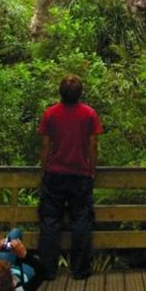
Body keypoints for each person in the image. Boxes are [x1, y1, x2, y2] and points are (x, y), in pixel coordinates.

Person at [38, 73, 103, 280]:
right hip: (80, 174)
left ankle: (47, 270)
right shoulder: (89, 114)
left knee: (50, 220)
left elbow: (46, 144)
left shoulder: (50, 114)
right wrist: (92, 168)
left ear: (61, 93)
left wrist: (44, 168)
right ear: (80, 93)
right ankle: (80, 270)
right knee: (82, 220)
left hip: (55, 173)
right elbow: (92, 144)